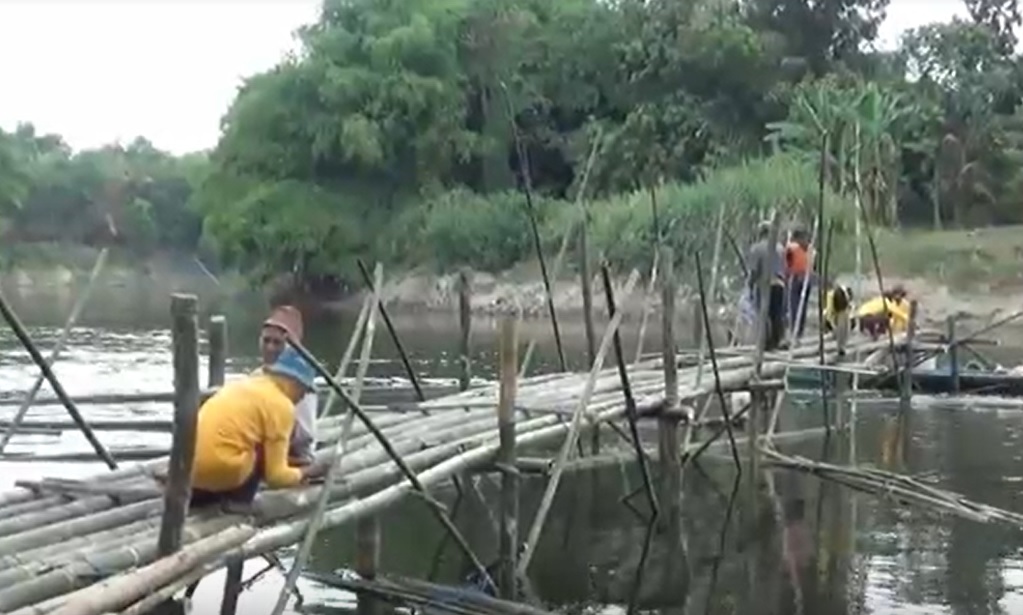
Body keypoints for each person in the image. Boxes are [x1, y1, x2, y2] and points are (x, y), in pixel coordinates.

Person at [190, 345, 327, 512]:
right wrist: (308, 472)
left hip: (190, 469)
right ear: (295, 383)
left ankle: (204, 495)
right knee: (257, 447)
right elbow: (276, 477)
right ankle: (240, 501)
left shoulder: (245, 384)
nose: (303, 397)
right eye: (304, 391)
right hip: (225, 470)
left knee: (238, 441)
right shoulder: (281, 405)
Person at [258, 305, 318, 466]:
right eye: (266, 340)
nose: (270, 347)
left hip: (293, 455)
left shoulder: (300, 384)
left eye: (277, 343)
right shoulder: (257, 375)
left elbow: (305, 435)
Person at [746, 220, 787, 350]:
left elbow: (754, 270)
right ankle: (777, 340)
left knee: (763, 314)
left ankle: (766, 341)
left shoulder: (757, 248)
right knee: (777, 314)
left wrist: (750, 283)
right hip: (779, 284)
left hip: (764, 285)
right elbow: (784, 268)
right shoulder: (780, 248)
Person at [785, 228, 813, 338]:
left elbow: (787, 264)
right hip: (806, 278)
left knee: (794, 305)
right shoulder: (810, 248)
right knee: (803, 306)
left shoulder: (792, 248)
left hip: (796, 277)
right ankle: (800, 331)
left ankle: (795, 331)